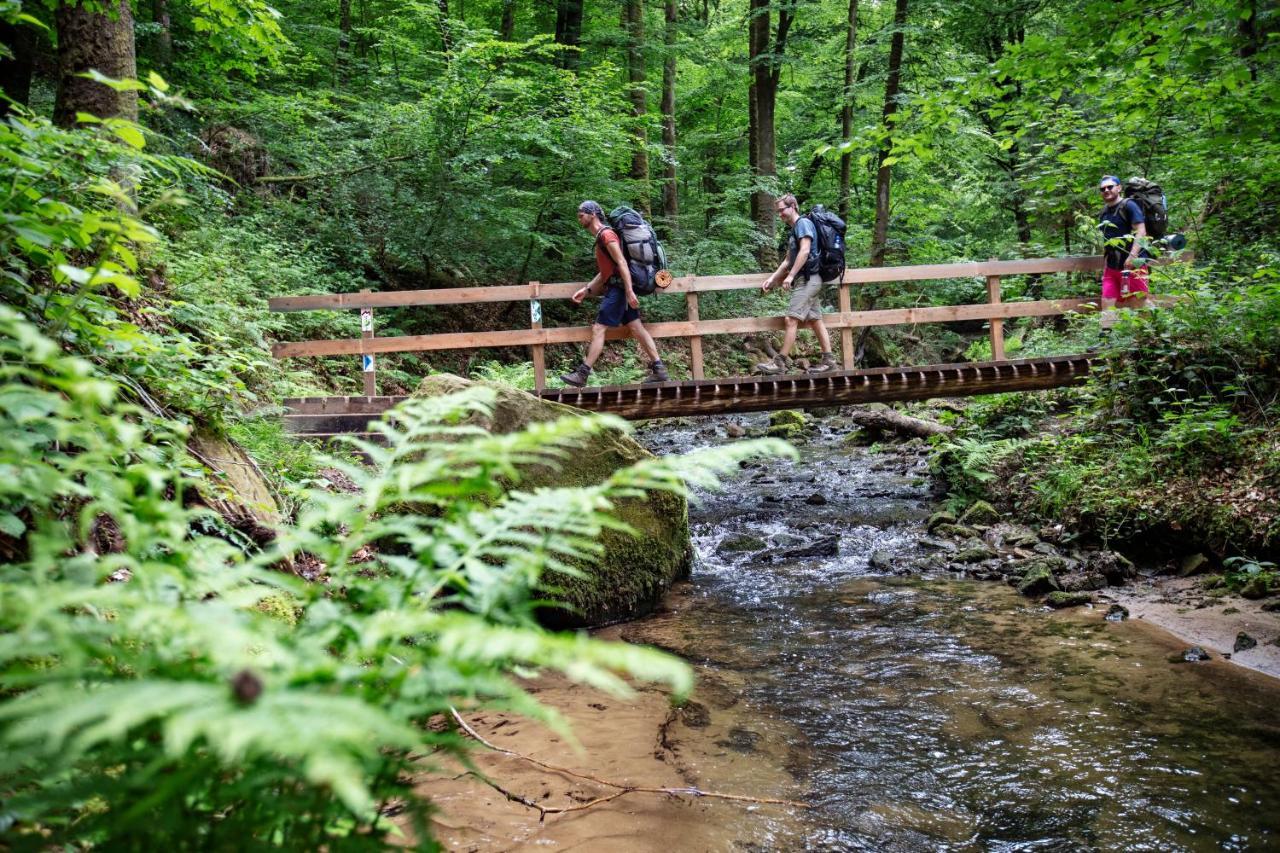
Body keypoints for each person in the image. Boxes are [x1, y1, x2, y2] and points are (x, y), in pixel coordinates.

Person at [559, 201, 669, 387]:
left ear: (592, 214)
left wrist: (628, 291)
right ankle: (659, 369)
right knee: (636, 327)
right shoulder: (602, 237)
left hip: (618, 290)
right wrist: (586, 290)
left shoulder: (607, 235)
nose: (579, 219)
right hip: (617, 287)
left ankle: (582, 374)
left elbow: (622, 263)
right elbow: (605, 272)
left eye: (581, 215)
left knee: (598, 329)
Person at [755, 194, 839, 375]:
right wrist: (772, 278)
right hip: (807, 279)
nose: (780, 215)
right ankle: (829, 361)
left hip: (808, 279)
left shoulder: (803, 224)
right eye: (777, 212)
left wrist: (790, 277)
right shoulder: (794, 231)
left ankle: (780, 363)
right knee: (815, 320)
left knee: (791, 319)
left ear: (792, 206)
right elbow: (787, 260)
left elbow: (805, 251)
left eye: (782, 210)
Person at [1097, 175, 1151, 330]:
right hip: (1112, 267)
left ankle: (1152, 333)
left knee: (1139, 302)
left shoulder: (1129, 205)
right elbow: (1107, 242)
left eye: (1110, 187)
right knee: (1107, 302)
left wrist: (1132, 256)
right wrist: (1105, 266)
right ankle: (1105, 339)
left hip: (1133, 266)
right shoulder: (1104, 212)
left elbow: (1141, 231)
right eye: (1103, 189)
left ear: (1119, 188)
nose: (1106, 190)